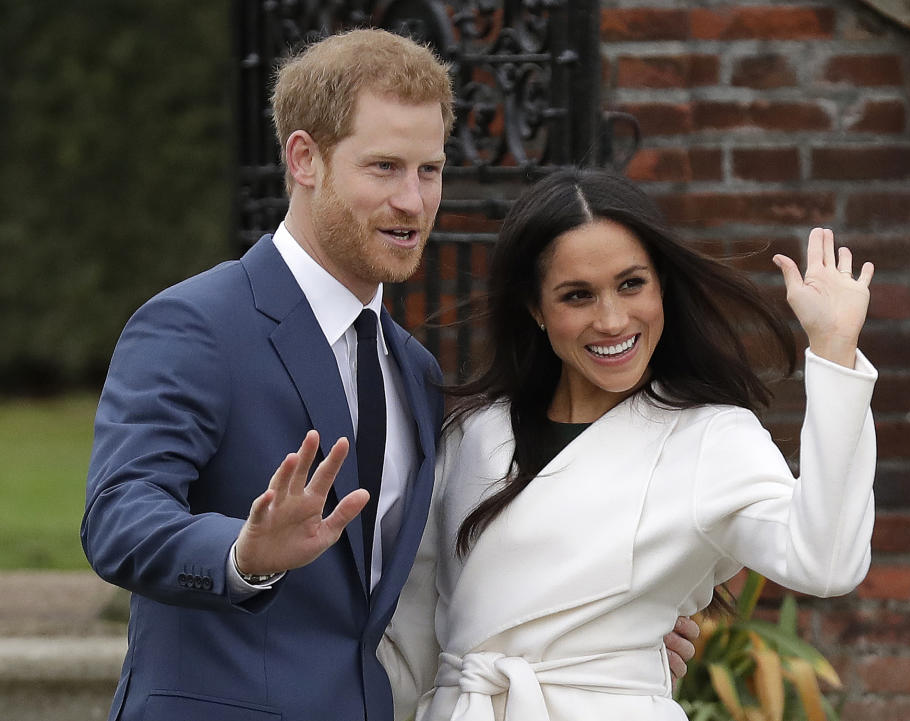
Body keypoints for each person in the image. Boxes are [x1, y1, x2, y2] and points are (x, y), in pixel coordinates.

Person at [81, 31, 698, 721]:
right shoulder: (196, 324)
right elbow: (118, 518)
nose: (413, 201)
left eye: (428, 170)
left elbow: (437, 581)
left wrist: (592, 634)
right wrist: (242, 554)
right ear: (305, 158)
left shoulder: (417, 373)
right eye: (384, 168)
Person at [378, 168, 878, 721]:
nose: (613, 319)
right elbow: (410, 633)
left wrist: (834, 350)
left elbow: (827, 561)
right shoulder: (471, 434)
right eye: (577, 296)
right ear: (536, 308)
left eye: (631, 284)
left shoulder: (711, 438)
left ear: (662, 284)